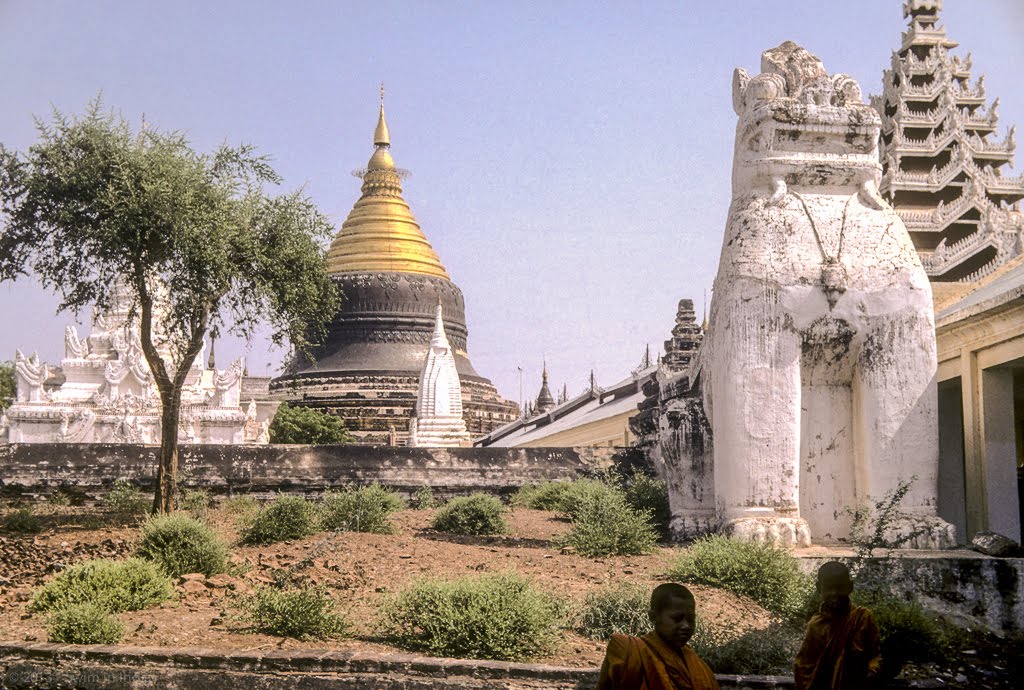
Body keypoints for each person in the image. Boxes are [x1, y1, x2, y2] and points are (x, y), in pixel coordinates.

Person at [596, 582, 720, 690]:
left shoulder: (698, 666)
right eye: (677, 619)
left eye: (691, 620)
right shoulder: (629, 652)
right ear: (653, 617)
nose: (686, 626)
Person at [794, 561, 883, 690]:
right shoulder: (816, 625)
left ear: (850, 587)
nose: (834, 593)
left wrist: (872, 671)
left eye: (840, 587)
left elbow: (875, 654)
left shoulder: (862, 618)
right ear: (819, 588)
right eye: (829, 588)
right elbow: (804, 666)